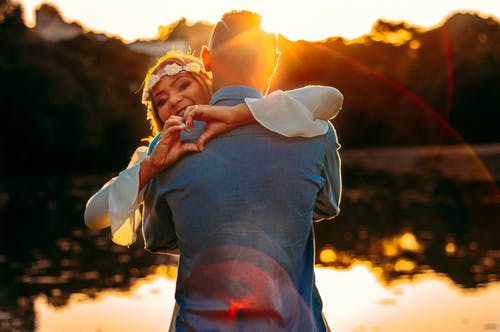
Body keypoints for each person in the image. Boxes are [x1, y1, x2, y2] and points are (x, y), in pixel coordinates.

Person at [143, 11, 341, 331]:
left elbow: (158, 238)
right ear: (273, 62)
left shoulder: (165, 149)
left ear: (206, 59)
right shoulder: (315, 130)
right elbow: (326, 205)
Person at [84, 50, 343, 248]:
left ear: (207, 84)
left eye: (183, 85)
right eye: (161, 100)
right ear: (157, 114)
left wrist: (236, 114)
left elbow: (330, 98)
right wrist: (151, 167)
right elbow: (93, 216)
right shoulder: (153, 156)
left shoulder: (266, 120)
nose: (173, 100)